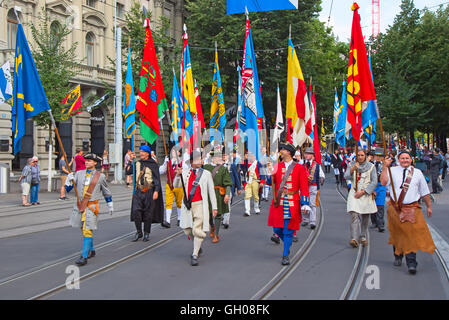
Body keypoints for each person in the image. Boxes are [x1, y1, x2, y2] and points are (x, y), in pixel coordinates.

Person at [380, 150, 435, 274]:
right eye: (402, 158)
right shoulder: (392, 170)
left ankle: (411, 262)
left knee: (410, 235)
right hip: (395, 208)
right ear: (398, 160)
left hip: (411, 208)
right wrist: (385, 166)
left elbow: (424, 191)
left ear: (411, 160)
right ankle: (398, 255)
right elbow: (383, 182)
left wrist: (429, 206)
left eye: (407, 158)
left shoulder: (417, 173)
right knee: (397, 233)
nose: (405, 160)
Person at [65, 153, 113, 266]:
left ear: (95, 163)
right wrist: (68, 180)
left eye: (89, 161)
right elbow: (68, 189)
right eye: (86, 160)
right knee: (82, 228)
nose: (87, 162)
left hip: (91, 206)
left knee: (87, 230)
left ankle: (84, 256)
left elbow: (106, 192)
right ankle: (91, 249)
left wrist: (110, 205)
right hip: (80, 205)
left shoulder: (100, 176)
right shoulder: (79, 173)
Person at [268, 142, 310, 265]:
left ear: (289, 152)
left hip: (292, 201)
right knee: (277, 228)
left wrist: (305, 203)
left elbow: (304, 187)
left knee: (288, 230)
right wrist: (270, 172)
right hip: (278, 202)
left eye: (283, 149)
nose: (281, 151)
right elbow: (271, 182)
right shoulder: (277, 165)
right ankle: (288, 242)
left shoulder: (299, 167)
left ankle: (285, 254)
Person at [175, 151, 217, 266]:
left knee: (197, 229)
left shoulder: (206, 174)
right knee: (188, 230)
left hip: (200, 205)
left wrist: (214, 207)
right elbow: (176, 185)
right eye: (199, 159)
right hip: (187, 206)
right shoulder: (185, 172)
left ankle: (194, 254)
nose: (201, 161)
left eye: (202, 159)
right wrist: (178, 176)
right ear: (192, 162)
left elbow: (211, 192)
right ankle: (197, 246)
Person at [130, 145, 164, 242]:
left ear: (147, 153)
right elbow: (129, 172)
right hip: (138, 191)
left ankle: (146, 233)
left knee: (148, 213)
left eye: (143, 152)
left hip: (148, 190)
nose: (140, 153)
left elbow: (157, 179)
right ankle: (139, 232)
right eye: (140, 151)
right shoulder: (137, 163)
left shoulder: (153, 164)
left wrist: (156, 191)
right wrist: (130, 161)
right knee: (136, 211)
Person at [345, 149, 378, 248]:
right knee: (354, 214)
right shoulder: (352, 164)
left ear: (365, 156)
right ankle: (354, 238)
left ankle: (362, 236)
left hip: (365, 193)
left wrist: (364, 192)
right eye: (358, 155)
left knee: (365, 216)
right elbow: (346, 176)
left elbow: (374, 181)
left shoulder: (371, 167)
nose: (360, 157)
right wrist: (352, 169)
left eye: (362, 155)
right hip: (354, 192)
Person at [203, 149, 233, 243]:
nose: (219, 159)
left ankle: (216, 235)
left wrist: (227, 194)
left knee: (218, 214)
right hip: (207, 193)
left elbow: (228, 183)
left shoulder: (223, 169)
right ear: (213, 158)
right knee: (208, 213)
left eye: (220, 157)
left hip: (218, 193)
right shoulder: (205, 167)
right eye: (217, 157)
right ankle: (212, 226)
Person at [159, 148, 184, 228]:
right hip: (169, 184)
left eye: (175, 151)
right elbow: (161, 171)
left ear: (179, 153)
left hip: (178, 185)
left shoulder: (182, 162)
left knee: (179, 202)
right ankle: (168, 221)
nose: (173, 152)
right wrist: (164, 163)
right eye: (172, 151)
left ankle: (180, 219)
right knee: (168, 202)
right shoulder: (168, 162)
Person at [301, 148, 323, 230]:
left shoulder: (316, 165)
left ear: (312, 155)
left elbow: (317, 176)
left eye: (309, 154)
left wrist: (318, 187)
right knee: (304, 202)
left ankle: (312, 221)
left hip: (313, 186)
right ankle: (305, 219)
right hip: (304, 186)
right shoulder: (303, 165)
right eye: (306, 153)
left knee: (312, 204)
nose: (307, 155)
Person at [243, 152, 264, 216]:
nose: (251, 157)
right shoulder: (247, 162)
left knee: (256, 196)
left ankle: (256, 208)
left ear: (255, 157)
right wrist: (244, 159)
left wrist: (262, 181)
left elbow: (262, 173)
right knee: (247, 195)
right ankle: (247, 210)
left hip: (255, 181)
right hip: (248, 181)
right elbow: (241, 166)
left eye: (252, 156)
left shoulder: (258, 164)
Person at [371, 148, 387, 232]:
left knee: (380, 206)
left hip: (381, 186)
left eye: (380, 156)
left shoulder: (385, 165)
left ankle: (381, 224)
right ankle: (374, 222)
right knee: (372, 205)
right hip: (372, 186)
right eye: (376, 156)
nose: (378, 158)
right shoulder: (370, 165)